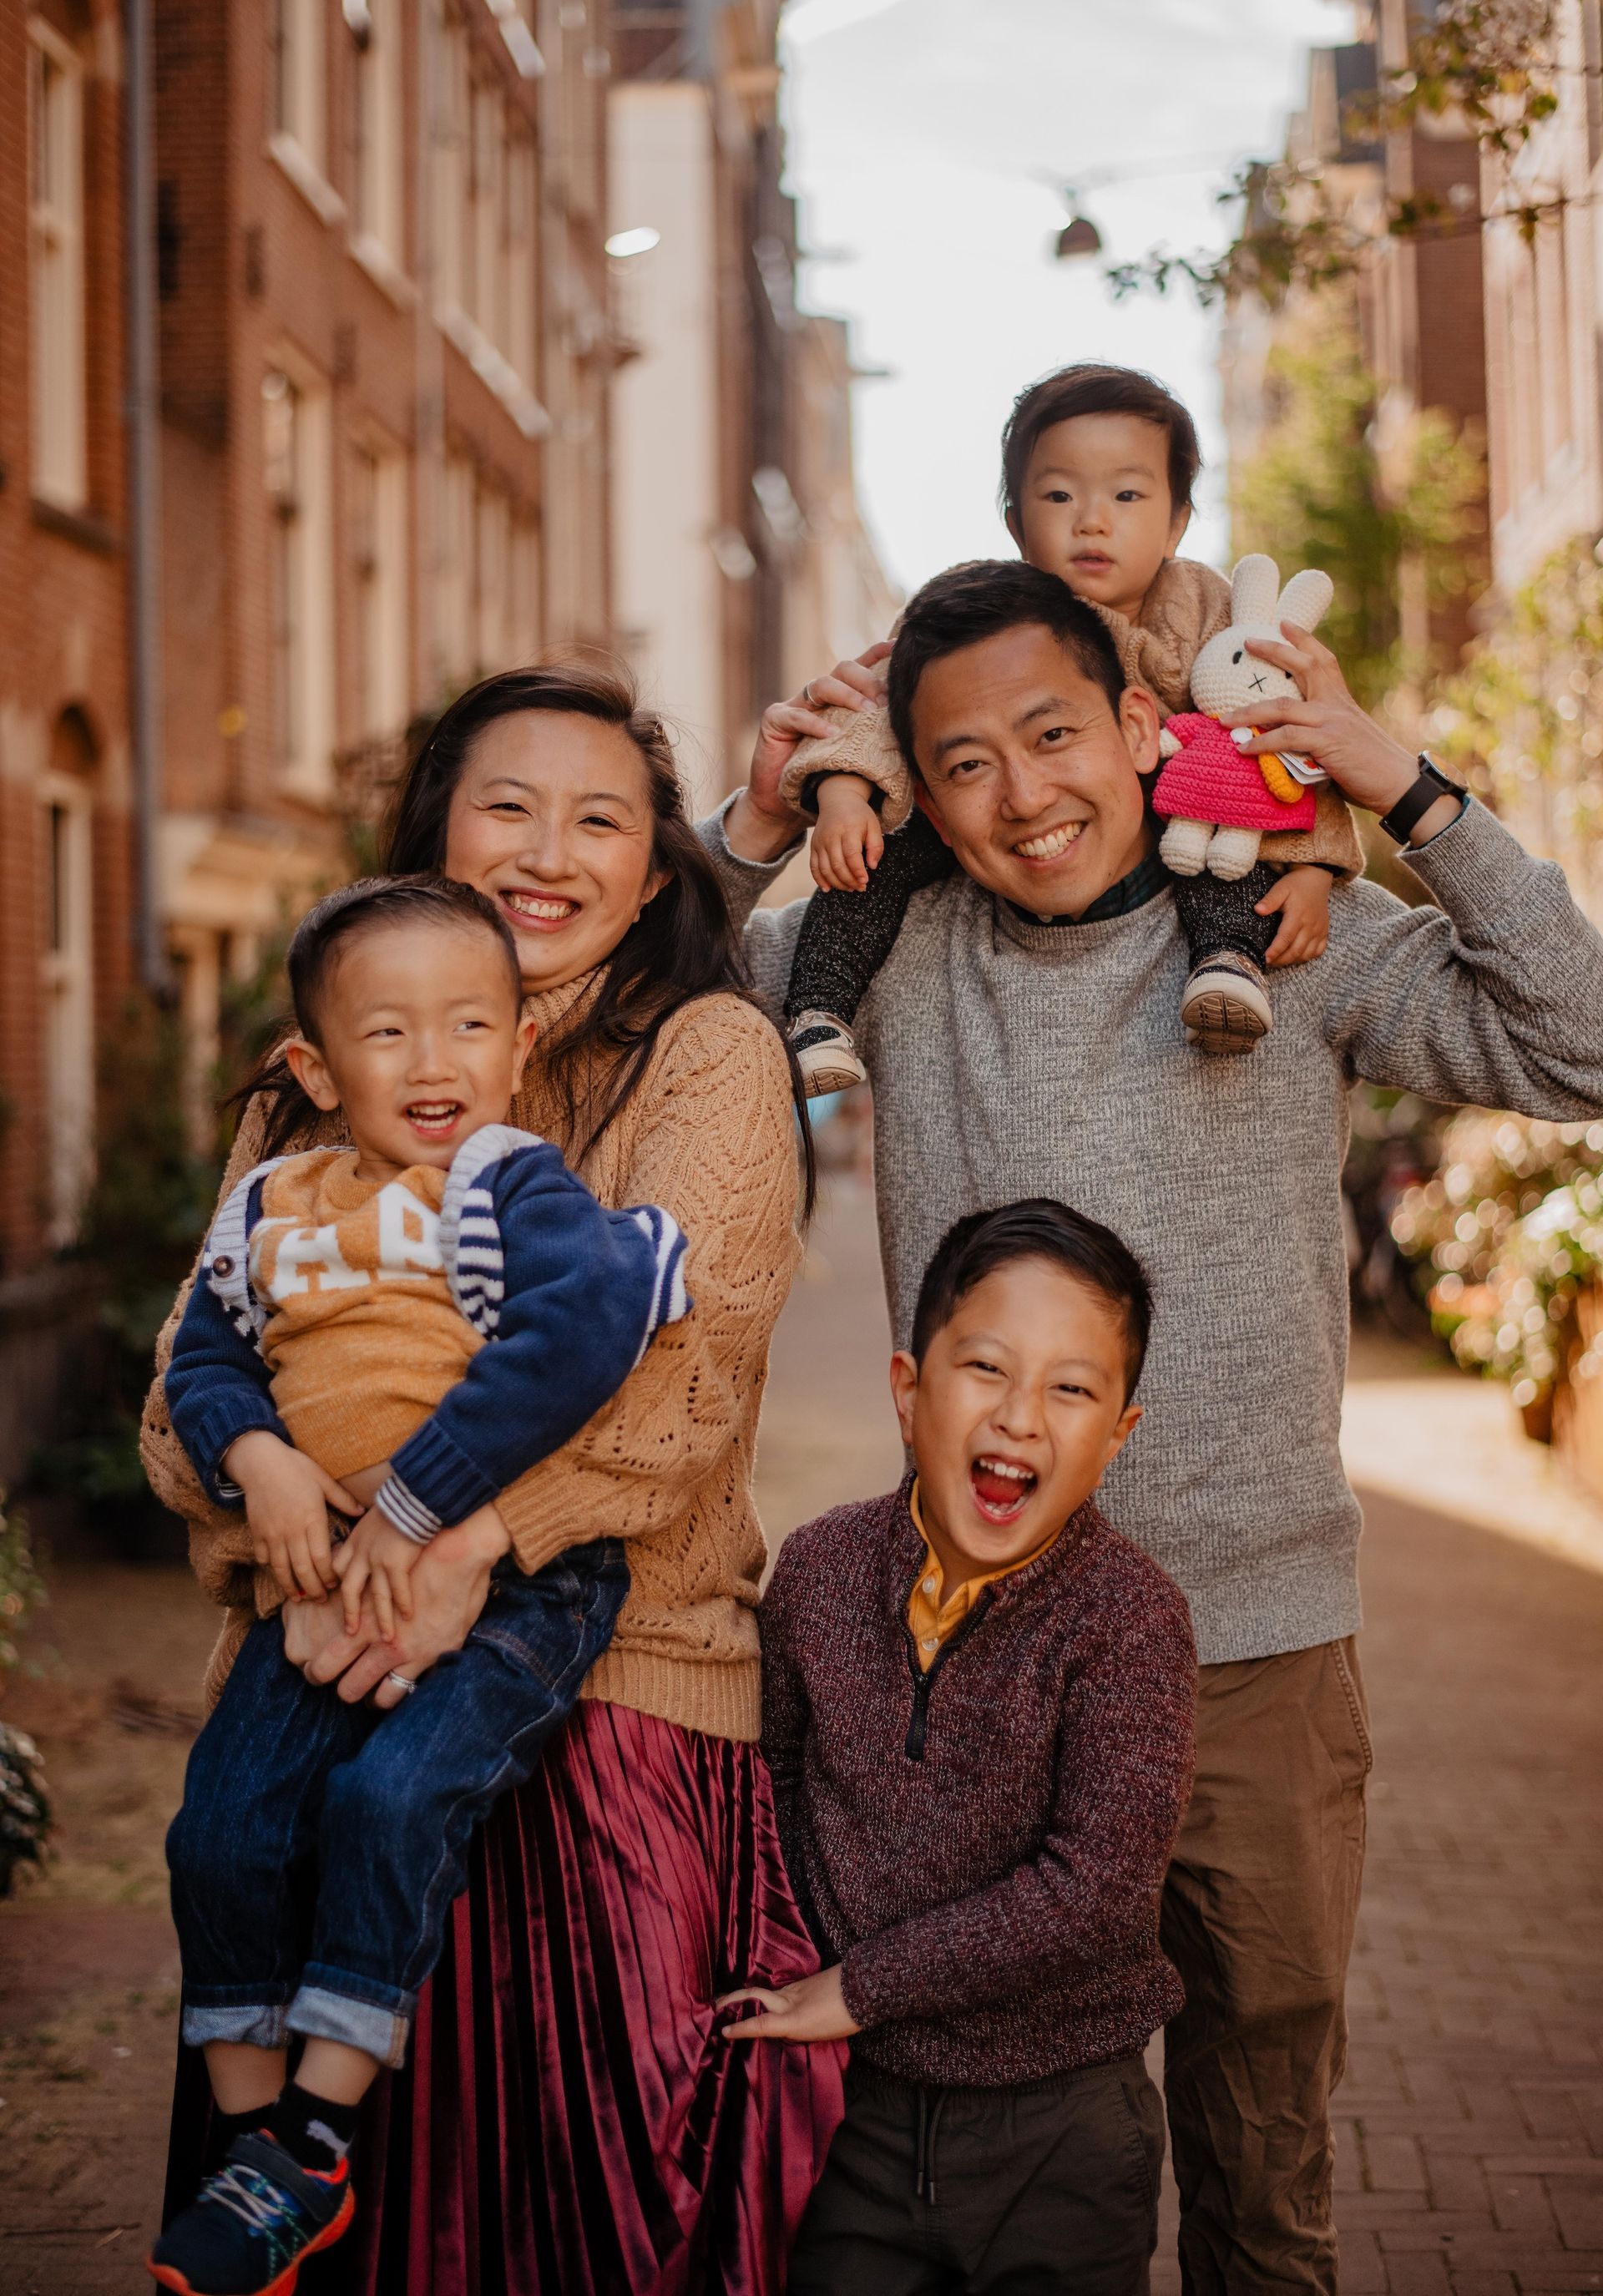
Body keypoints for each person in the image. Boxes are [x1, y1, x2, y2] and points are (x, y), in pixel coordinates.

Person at [705, 560, 1603, 2294]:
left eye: (1055, 733)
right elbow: (634, 1008)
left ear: (1138, 722)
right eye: (960, 760)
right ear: (912, 781)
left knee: (1265, 2185)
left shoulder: (1291, 932)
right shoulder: (891, 953)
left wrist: (1400, 788)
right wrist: (753, 816)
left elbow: (1583, 1040)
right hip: (980, 1662)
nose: (1019, 792)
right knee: (1018, 2176)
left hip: (1254, 1656)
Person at [143, 661, 843, 2294]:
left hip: (612, 1701)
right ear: (432, 835)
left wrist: (464, 1537)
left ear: (656, 864)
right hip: (321, 1669)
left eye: (600, 816)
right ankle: (279, 2165)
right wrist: (284, 1508)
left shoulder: (710, 1058)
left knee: (567, 2230)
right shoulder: (322, 1065)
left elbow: (679, 1391)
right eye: (506, 805)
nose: (550, 848)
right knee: (315, 2199)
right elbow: (190, 1392)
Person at [149, 874, 692, 2296]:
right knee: (219, 1827)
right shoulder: (271, 1203)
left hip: (517, 1589)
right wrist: (257, 1455)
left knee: (383, 1801)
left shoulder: (507, 1178)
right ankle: (253, 2145)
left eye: (468, 1023)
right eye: (389, 1033)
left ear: (520, 1045)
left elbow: (575, 1340)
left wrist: (415, 1498)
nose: (435, 1058)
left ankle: (319, 2136)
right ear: (318, 1070)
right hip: (317, 1580)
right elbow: (201, 1362)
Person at [725, 1200, 1196, 2296]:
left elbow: (1099, 1889)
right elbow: (781, 1784)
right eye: (986, 1366)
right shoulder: (820, 1570)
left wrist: (865, 1982)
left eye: (1072, 1387)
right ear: (908, 1387)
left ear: (1118, 1431)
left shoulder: (1128, 1618)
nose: (1022, 1416)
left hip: (1061, 2130)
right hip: (856, 2115)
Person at [776, 363, 1363, 1093]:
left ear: (1178, 520)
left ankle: (1228, 963)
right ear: (1017, 522)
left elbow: (1280, 731)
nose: (1092, 519)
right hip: (979, 828)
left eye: (1127, 494)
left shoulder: (1204, 606)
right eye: (1058, 495)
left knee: (1219, 840)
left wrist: (1311, 868)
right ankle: (820, 1011)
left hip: (1176, 807)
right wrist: (841, 795)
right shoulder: (981, 615)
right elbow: (875, 707)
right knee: (868, 866)